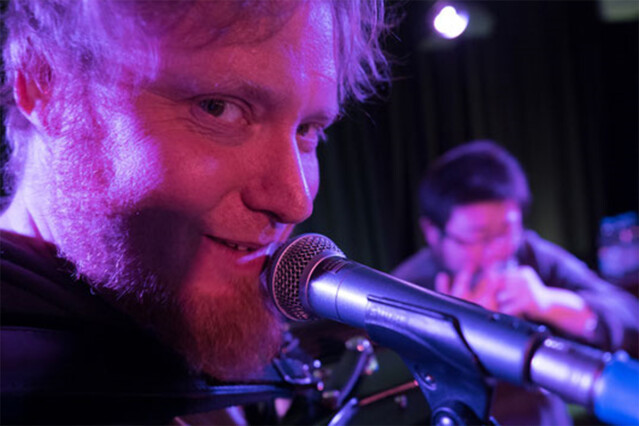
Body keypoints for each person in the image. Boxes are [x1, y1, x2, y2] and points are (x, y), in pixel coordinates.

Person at [0, 1, 393, 423]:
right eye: (218, 108)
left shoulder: (185, 347)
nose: (295, 202)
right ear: (48, 84)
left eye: (307, 129)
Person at [392, 140, 639, 425]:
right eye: (479, 237)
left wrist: (548, 303)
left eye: (507, 230)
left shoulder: (529, 254)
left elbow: (630, 315)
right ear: (433, 233)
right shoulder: (407, 287)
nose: (498, 250)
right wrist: (465, 334)